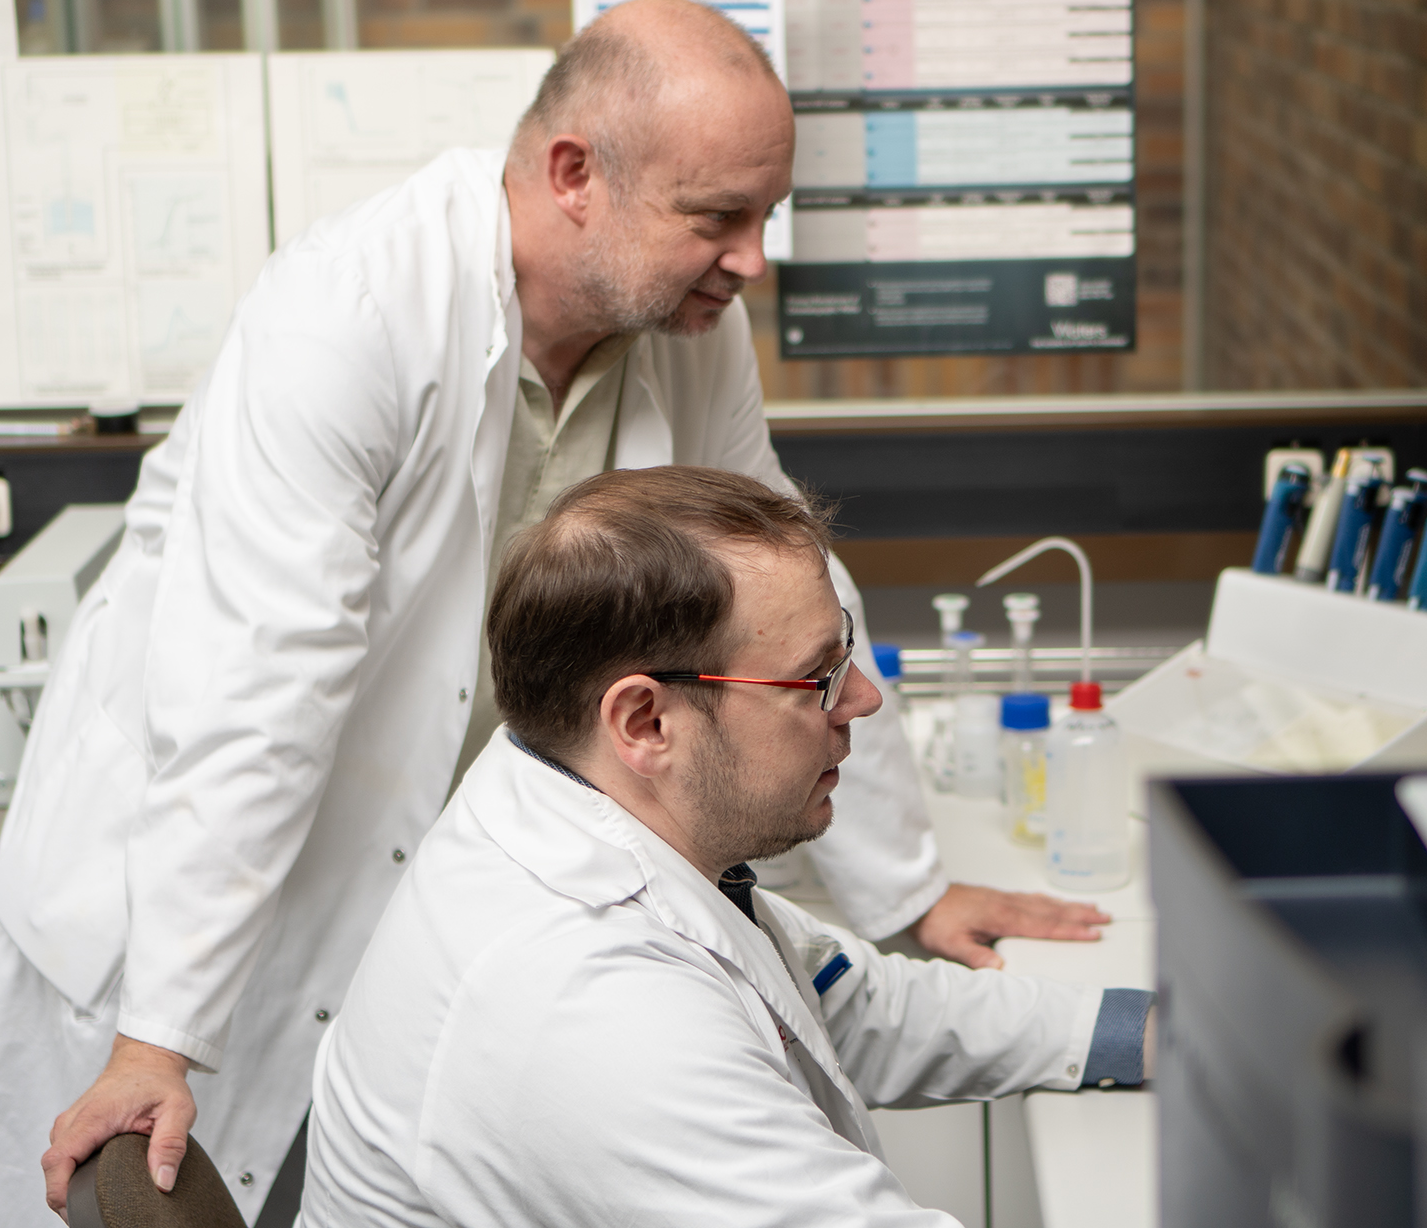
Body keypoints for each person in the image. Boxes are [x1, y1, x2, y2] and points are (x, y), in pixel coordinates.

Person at [0, 0, 1106, 1226]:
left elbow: (787, 589)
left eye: (766, 216)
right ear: (573, 177)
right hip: (185, 892)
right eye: (717, 216)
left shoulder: (686, 330)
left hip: (449, 879)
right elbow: (254, 693)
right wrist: (158, 1037)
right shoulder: (350, 311)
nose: (754, 260)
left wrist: (907, 890)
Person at [301, 465, 1154, 1226]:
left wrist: (1149, 1034)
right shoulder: (587, 1007)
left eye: (847, 654)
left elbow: (848, 1004)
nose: (863, 700)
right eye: (818, 676)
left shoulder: (572, 793)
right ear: (645, 722)